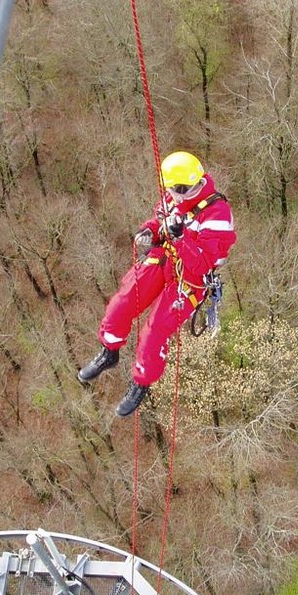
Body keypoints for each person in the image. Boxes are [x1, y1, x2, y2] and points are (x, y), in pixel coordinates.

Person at [78, 151, 236, 417]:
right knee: (122, 302)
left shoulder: (218, 215)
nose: (170, 195)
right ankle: (110, 350)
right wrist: (150, 230)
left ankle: (141, 382)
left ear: (185, 188)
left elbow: (201, 265)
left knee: (155, 331)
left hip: (191, 278)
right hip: (166, 258)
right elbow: (159, 221)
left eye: (175, 190)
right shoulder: (174, 197)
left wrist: (180, 237)